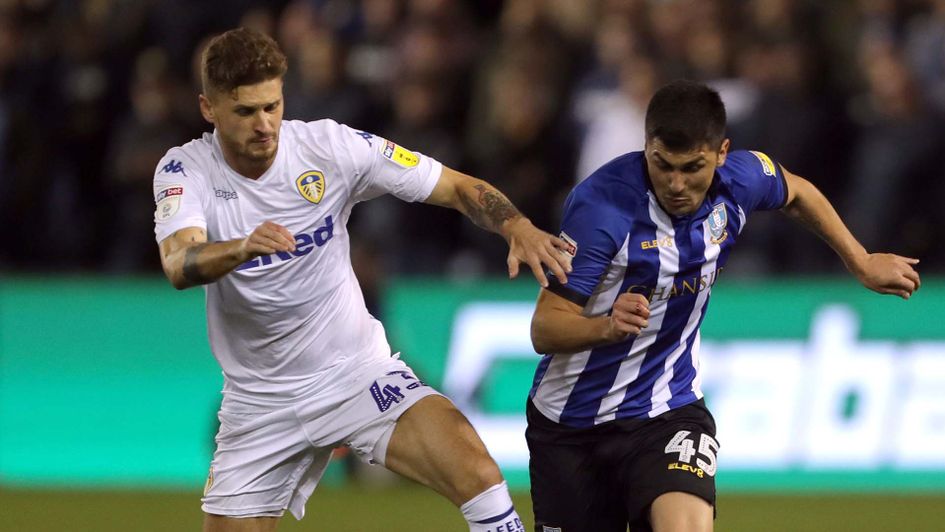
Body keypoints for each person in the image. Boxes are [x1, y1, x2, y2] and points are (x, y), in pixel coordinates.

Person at [153, 27, 571, 532]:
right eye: (245, 112)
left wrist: (516, 225)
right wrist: (242, 247)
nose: (265, 125)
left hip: (356, 375)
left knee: (479, 474)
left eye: (273, 106)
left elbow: (457, 187)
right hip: (259, 404)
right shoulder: (185, 169)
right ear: (208, 108)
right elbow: (179, 262)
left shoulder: (331, 148)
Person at [526, 80, 921, 532]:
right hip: (572, 426)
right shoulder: (602, 210)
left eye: (692, 167)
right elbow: (545, 327)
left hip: (667, 409)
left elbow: (797, 192)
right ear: (646, 147)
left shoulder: (741, 179)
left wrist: (861, 261)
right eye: (662, 165)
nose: (676, 184)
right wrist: (605, 327)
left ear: (721, 152)